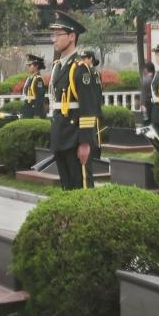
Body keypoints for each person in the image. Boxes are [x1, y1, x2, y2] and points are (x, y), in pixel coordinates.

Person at [47, 12, 100, 190]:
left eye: (58, 34)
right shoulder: (58, 66)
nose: (54, 39)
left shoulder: (80, 68)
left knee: (82, 189)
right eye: (53, 35)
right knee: (67, 188)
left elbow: (88, 108)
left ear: (71, 37)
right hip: (61, 135)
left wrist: (85, 142)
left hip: (75, 137)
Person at [20, 54, 48, 118]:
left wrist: (37, 113)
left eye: (30, 65)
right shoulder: (30, 78)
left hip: (34, 111)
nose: (28, 67)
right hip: (28, 110)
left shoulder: (38, 79)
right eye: (28, 65)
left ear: (36, 66)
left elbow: (40, 97)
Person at [140, 61, 155, 125]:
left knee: (146, 121)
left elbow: (144, 93)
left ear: (146, 69)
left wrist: (142, 104)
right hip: (153, 103)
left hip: (146, 104)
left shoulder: (146, 80)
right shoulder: (154, 78)